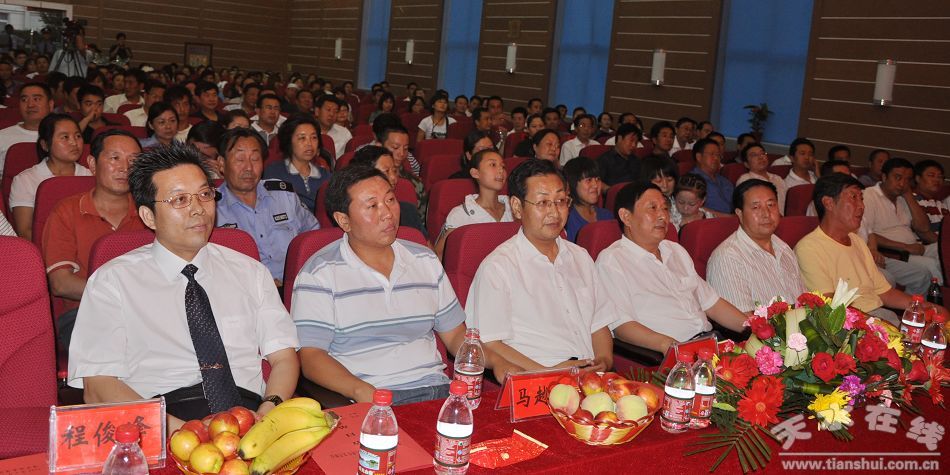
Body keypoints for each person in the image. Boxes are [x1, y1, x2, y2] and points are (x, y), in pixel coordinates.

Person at [68, 143, 299, 428]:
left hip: (249, 415)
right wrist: (179, 431)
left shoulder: (250, 271)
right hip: (160, 417)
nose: (198, 209)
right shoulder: (112, 281)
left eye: (204, 195)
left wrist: (268, 409)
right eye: (180, 200)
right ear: (148, 216)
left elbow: (284, 356)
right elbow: (97, 386)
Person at [293, 165, 515, 405]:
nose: (388, 213)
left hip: (436, 389)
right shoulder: (319, 274)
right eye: (372, 206)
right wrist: (360, 391)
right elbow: (311, 356)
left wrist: (497, 361)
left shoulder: (425, 260)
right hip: (369, 396)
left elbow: (455, 336)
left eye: (390, 200)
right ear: (343, 220)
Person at [465, 159, 615, 371]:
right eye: (543, 203)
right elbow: (490, 343)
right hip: (536, 377)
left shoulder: (581, 257)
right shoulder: (498, 267)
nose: (554, 212)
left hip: (589, 376)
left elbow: (599, 324)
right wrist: (547, 373)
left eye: (561, 201)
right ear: (517, 207)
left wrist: (604, 361)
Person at [599, 182, 748, 353]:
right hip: (669, 353)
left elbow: (713, 304)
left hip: (709, 343)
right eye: (653, 208)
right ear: (626, 216)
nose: (663, 216)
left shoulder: (675, 250)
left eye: (665, 209)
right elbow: (622, 326)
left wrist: (755, 329)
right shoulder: (612, 261)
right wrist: (670, 346)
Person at [796, 173, 949, 326]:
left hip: (878, 316)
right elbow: (830, 309)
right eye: (853, 197)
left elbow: (885, 292)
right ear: (828, 203)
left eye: (861, 198)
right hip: (853, 326)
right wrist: (882, 325)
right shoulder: (809, 248)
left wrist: (923, 306)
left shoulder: (856, 240)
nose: (861, 206)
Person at [42, 129, 145, 347]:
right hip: (84, 313)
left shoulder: (151, 213)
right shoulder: (67, 211)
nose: (125, 168)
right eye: (115, 158)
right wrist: (122, 296)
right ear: (92, 163)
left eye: (133, 161)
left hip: (145, 312)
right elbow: (60, 283)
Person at [215, 128, 319, 287]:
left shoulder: (284, 196)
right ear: (221, 164)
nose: (248, 167)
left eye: (255, 159)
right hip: (242, 293)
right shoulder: (211, 207)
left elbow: (313, 236)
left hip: (295, 288)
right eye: (240, 159)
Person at [707, 180, 806, 311]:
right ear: (740, 214)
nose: (766, 214)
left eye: (771, 205)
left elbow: (803, 302)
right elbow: (742, 319)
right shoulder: (728, 257)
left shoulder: (784, 248)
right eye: (756, 207)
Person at [861, 157, 941, 294]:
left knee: (944, 251)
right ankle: (936, 302)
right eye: (898, 178)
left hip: (915, 247)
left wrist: (909, 196)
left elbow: (923, 228)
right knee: (932, 266)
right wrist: (905, 247)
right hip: (894, 252)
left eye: (907, 179)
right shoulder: (869, 196)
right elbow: (867, 233)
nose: (903, 183)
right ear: (884, 177)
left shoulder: (903, 198)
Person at [10, 114, 92, 241]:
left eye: (78, 136)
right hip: (44, 248)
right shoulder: (26, 180)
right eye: (65, 137)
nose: (74, 142)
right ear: (45, 145)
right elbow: (25, 232)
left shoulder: (91, 176)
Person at [434, 149, 512, 258]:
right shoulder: (461, 214)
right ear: (475, 173)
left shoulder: (515, 208)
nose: (501, 170)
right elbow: (439, 253)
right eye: (493, 165)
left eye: (503, 166)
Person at [347, 145, 425, 236]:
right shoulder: (356, 215)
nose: (393, 177)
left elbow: (424, 243)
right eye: (386, 171)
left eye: (394, 171)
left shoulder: (408, 211)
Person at [263, 114, 332, 213]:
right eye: (302, 138)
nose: (309, 143)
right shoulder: (274, 172)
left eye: (314, 137)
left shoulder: (326, 176)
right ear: (289, 141)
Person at [0, 82, 53, 180]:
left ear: (50, 104)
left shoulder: (64, 136)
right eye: (24, 100)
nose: (30, 105)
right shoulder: (2, 136)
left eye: (36, 99)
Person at [563, 157, 612, 242]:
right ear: (572, 184)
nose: (595, 185)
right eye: (589, 180)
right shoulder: (566, 220)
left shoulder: (607, 215)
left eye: (597, 179)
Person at [737, 142, 787, 214]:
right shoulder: (745, 180)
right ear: (746, 164)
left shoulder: (778, 178)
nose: (760, 157)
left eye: (762, 153)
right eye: (754, 155)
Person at [689, 138, 733, 213]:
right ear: (699, 157)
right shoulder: (691, 181)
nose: (716, 158)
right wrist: (730, 218)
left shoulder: (725, 181)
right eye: (712, 154)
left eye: (718, 155)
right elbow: (694, 209)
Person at [913, 159, 950, 234]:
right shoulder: (912, 200)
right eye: (931, 175)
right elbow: (923, 231)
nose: (937, 180)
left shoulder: (941, 204)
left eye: (940, 176)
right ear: (918, 178)